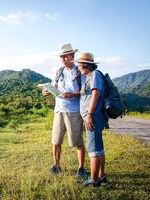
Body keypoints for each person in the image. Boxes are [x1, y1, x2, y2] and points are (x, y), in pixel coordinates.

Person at [42, 43, 87, 177]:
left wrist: (72, 94)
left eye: (65, 56)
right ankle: (57, 165)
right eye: (61, 57)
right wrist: (46, 91)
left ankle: (81, 168)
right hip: (59, 110)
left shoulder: (80, 72)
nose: (62, 59)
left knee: (77, 141)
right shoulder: (59, 71)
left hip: (74, 111)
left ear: (72, 56)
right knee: (56, 141)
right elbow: (53, 86)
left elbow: (85, 90)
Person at [76, 52, 108, 187]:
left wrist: (89, 114)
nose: (78, 67)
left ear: (85, 65)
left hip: (93, 116)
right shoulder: (89, 77)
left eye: (79, 65)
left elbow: (95, 94)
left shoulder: (94, 75)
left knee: (94, 149)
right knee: (98, 148)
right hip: (93, 116)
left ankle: (94, 180)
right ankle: (101, 177)